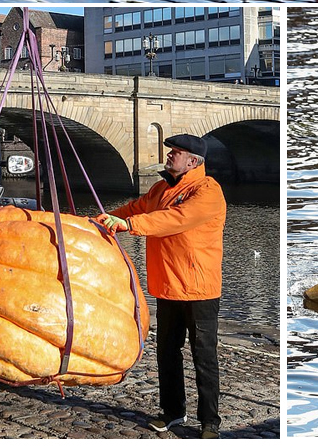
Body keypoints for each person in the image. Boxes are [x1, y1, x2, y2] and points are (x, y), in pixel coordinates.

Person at [99, 134, 227, 439]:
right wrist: (101, 221)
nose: (169, 156)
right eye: (171, 152)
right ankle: (172, 413)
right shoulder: (160, 189)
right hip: (168, 287)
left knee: (204, 356)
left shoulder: (207, 191)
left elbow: (174, 219)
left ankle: (210, 422)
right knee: (167, 353)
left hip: (199, 290)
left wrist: (129, 226)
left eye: (176, 153)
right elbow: (135, 208)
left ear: (192, 162)